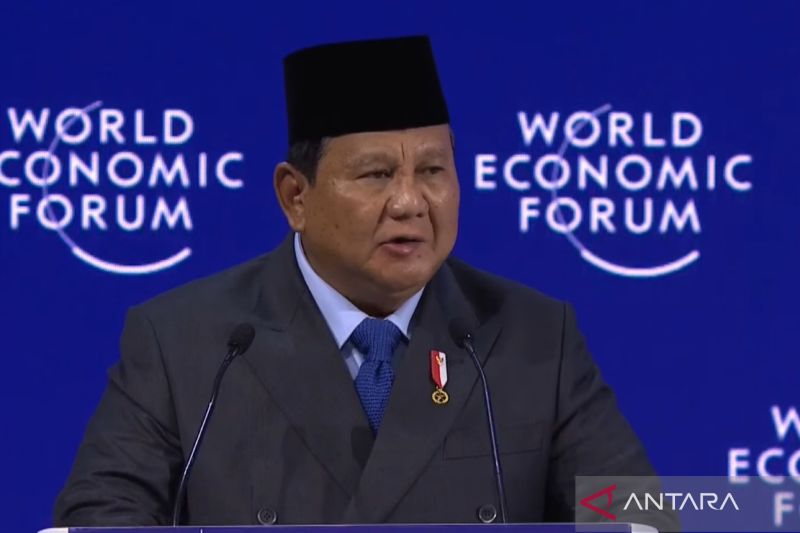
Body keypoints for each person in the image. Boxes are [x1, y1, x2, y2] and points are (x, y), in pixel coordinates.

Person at [54, 35, 667, 528]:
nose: (410, 202)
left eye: (433, 170)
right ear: (295, 197)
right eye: (376, 175)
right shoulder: (188, 341)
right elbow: (100, 516)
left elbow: (640, 515)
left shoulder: (533, 335)